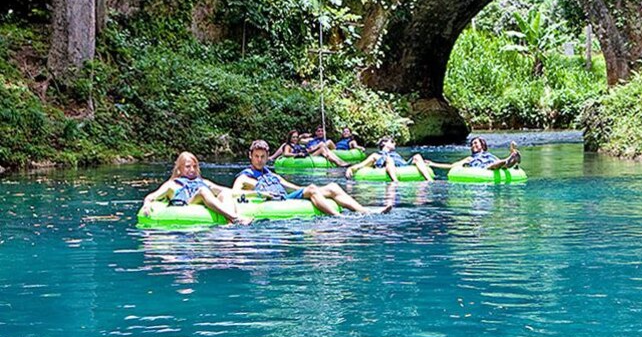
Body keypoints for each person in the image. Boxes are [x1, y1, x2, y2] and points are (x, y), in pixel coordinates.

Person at [233, 140, 391, 215]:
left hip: (283, 197)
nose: (259, 160)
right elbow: (233, 193)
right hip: (270, 202)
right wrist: (259, 193)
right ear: (250, 156)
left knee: (332, 187)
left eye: (262, 156)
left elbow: (287, 185)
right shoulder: (245, 176)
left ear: (267, 157)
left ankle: (366, 211)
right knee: (313, 190)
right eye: (256, 156)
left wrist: (305, 189)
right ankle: (339, 218)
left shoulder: (269, 173)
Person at [140, 152, 251, 225]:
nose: (192, 170)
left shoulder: (203, 182)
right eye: (188, 167)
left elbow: (230, 192)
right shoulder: (172, 185)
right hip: (188, 204)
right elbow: (151, 197)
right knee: (203, 191)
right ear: (179, 169)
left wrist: (259, 194)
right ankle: (235, 218)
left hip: (203, 202)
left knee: (225, 192)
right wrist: (146, 205)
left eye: (194, 166)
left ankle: (229, 223)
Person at [345, 136, 436, 182]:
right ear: (384, 143)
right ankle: (395, 182)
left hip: (402, 166)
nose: (394, 143)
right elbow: (361, 165)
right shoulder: (376, 155)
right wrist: (350, 168)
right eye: (392, 142)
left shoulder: (395, 154)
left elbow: (403, 163)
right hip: (387, 165)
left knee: (417, 156)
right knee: (389, 159)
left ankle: (429, 180)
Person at [428, 137, 521, 172]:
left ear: (482, 145)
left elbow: (497, 160)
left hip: (494, 163)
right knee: (493, 165)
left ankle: (511, 159)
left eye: (476, 143)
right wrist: (433, 164)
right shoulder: (470, 158)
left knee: (501, 164)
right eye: (472, 144)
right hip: (485, 167)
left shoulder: (489, 155)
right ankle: (511, 157)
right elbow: (451, 166)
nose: (473, 146)